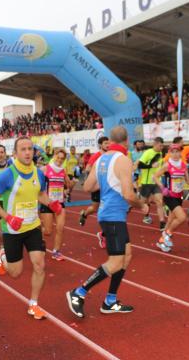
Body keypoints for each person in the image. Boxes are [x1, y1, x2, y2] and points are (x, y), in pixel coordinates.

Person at [66, 126, 148, 318]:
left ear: (110, 141)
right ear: (126, 141)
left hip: (109, 214)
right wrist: (141, 205)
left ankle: (110, 301)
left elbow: (87, 186)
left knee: (126, 256)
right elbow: (128, 194)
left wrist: (106, 183)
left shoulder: (101, 159)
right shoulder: (124, 160)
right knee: (116, 261)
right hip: (113, 215)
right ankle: (79, 292)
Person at [0, 136, 63, 320]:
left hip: (32, 226)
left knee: (39, 264)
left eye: (30, 149)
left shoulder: (39, 173)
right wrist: (8, 217)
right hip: (12, 229)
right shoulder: (6, 175)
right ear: (15, 153)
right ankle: (3, 255)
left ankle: (33, 304)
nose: (28, 152)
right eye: (23, 149)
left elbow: (41, 195)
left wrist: (51, 203)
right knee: (15, 273)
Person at [154, 144, 189, 252]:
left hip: (179, 196)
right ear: (169, 153)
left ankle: (161, 241)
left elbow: (188, 181)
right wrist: (162, 187)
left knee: (171, 219)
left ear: (181, 152)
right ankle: (167, 235)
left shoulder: (183, 165)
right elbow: (155, 176)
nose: (175, 154)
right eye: (173, 152)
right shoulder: (167, 165)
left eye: (177, 152)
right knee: (182, 218)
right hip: (169, 195)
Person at [40, 148, 72, 261]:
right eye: (58, 157)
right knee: (48, 231)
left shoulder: (63, 171)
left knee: (60, 228)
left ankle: (56, 251)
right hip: (48, 203)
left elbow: (68, 185)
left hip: (59, 204)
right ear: (54, 156)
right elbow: (37, 185)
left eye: (62, 159)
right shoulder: (45, 169)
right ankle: (38, 235)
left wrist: (67, 190)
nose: (60, 160)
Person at [79, 137, 110, 228]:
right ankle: (84, 214)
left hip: (108, 185)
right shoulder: (96, 156)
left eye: (108, 143)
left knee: (108, 206)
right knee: (94, 208)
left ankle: (106, 228)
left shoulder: (110, 155)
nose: (108, 145)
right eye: (105, 143)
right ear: (100, 145)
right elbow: (88, 168)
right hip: (97, 186)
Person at [137, 137, 166, 229]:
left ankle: (162, 222)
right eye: (160, 145)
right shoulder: (148, 152)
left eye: (162, 146)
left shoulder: (160, 153)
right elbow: (140, 165)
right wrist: (150, 166)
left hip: (156, 182)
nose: (161, 147)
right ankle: (132, 206)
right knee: (143, 202)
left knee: (159, 201)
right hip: (146, 183)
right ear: (155, 144)